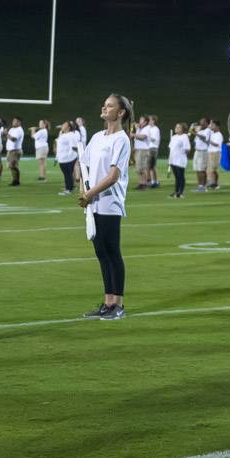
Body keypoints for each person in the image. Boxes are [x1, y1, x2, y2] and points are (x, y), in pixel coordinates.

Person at [79, 94, 133, 321]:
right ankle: (107, 302)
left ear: (120, 113)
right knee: (101, 253)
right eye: (105, 104)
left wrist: (90, 193)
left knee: (112, 252)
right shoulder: (97, 137)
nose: (104, 107)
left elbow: (113, 176)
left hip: (110, 203)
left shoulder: (121, 139)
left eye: (110, 105)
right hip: (93, 204)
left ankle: (118, 304)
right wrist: (83, 189)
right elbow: (84, 164)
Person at [56, 121, 79, 195]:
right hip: (63, 158)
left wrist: (70, 156)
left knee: (67, 174)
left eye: (64, 125)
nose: (62, 126)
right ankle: (70, 187)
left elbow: (74, 146)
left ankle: (68, 189)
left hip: (67, 158)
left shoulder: (70, 135)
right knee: (68, 174)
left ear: (68, 127)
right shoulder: (63, 134)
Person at [168, 122, 190, 198]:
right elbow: (171, 149)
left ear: (183, 129)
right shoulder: (174, 137)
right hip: (173, 160)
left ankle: (180, 192)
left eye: (178, 127)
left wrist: (182, 154)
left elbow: (187, 149)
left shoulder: (184, 137)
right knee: (177, 177)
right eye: (176, 127)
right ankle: (176, 191)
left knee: (180, 176)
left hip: (180, 160)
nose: (176, 128)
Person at [4, 117, 25, 186]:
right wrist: (5, 134)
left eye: (15, 121)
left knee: (13, 165)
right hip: (10, 150)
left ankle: (17, 181)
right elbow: (8, 138)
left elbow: (13, 139)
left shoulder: (19, 130)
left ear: (19, 122)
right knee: (11, 166)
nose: (13, 122)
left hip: (15, 150)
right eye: (13, 121)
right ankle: (15, 180)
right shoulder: (12, 129)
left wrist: (6, 134)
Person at [133, 116, 152, 190]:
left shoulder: (146, 128)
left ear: (145, 122)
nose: (140, 121)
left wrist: (133, 135)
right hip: (138, 149)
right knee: (138, 168)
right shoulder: (140, 128)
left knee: (142, 167)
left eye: (141, 120)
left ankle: (144, 183)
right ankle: (141, 183)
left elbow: (143, 137)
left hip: (143, 150)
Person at [192, 117, 210, 192]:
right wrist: (193, 130)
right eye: (200, 122)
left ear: (206, 123)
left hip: (203, 151)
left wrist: (196, 133)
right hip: (197, 151)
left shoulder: (208, 130)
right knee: (197, 169)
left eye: (202, 122)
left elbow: (205, 139)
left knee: (201, 169)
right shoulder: (200, 130)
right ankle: (200, 185)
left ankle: (202, 186)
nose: (201, 123)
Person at [207, 119, 224, 190]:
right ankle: (213, 183)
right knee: (210, 169)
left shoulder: (219, 134)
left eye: (212, 125)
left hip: (216, 153)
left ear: (217, 126)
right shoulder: (211, 133)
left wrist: (209, 141)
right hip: (210, 152)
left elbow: (217, 144)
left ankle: (215, 183)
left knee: (213, 169)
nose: (211, 126)